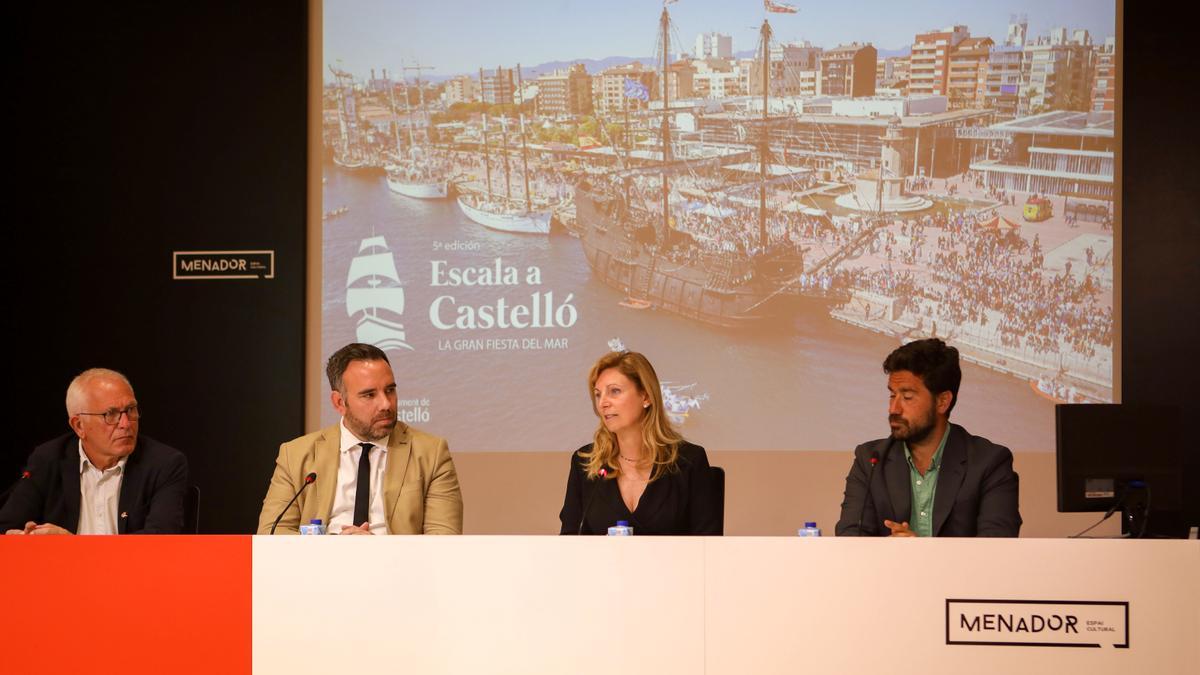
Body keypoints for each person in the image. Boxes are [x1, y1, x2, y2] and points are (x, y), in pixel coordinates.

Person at [257, 343, 462, 535]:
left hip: (397, 571)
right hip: (320, 570)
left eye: (390, 390)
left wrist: (374, 550)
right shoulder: (296, 455)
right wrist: (337, 549)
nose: (385, 404)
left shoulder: (431, 453)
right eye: (369, 395)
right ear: (339, 403)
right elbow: (271, 533)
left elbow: (444, 541)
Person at [835, 338, 1021, 537]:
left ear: (942, 402)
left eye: (907, 397)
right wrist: (888, 551)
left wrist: (922, 553)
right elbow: (851, 538)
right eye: (892, 395)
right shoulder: (870, 460)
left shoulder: (989, 462)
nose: (893, 409)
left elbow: (997, 548)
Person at [1, 368, 188, 535]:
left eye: (131, 410)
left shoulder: (164, 463)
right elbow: (6, 526)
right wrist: (19, 538)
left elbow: (160, 541)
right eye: (111, 414)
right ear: (79, 425)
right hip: (60, 573)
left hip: (132, 573)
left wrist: (72, 547)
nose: (125, 424)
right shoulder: (48, 459)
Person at [559, 350, 719, 535]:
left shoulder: (689, 461)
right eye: (598, 394)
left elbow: (708, 546)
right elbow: (569, 542)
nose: (603, 403)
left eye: (614, 391)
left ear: (646, 397)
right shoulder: (586, 464)